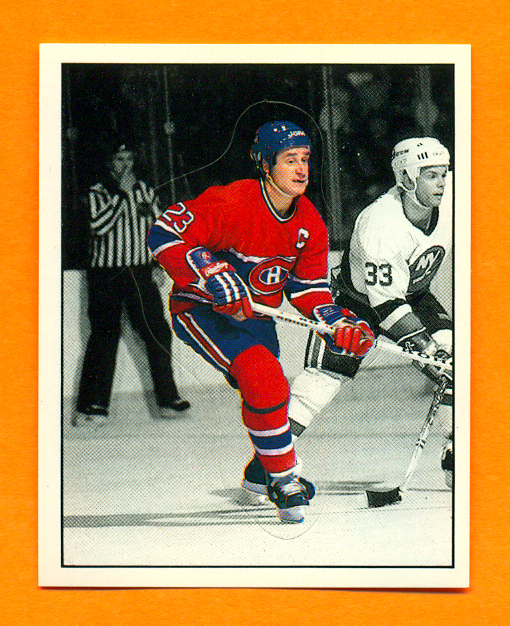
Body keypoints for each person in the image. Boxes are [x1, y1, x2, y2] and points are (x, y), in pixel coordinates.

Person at [147, 121, 375, 523]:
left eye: (305, 159)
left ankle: (259, 474)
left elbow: (309, 289)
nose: (301, 169)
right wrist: (209, 271)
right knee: (265, 379)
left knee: (269, 394)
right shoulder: (233, 202)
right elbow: (164, 232)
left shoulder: (309, 223)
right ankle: (285, 480)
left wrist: (337, 322)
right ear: (265, 165)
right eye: (290, 160)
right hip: (202, 310)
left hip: (254, 320)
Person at [286, 137, 454, 487]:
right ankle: (271, 460)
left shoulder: (455, 196)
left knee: (458, 364)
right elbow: (386, 304)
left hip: (414, 296)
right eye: (430, 176)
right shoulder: (379, 223)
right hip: (354, 304)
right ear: (406, 178)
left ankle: (456, 451)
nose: (441, 183)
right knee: (319, 384)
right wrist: (425, 346)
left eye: (444, 173)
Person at [73, 141, 190, 427]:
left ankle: (168, 399)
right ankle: (93, 406)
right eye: (119, 159)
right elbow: (99, 226)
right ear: (109, 164)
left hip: (139, 273)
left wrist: (159, 264)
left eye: (129, 158)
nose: (125, 165)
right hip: (106, 275)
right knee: (104, 337)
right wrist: (122, 195)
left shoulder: (145, 190)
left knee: (158, 332)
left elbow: (159, 228)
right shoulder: (97, 192)